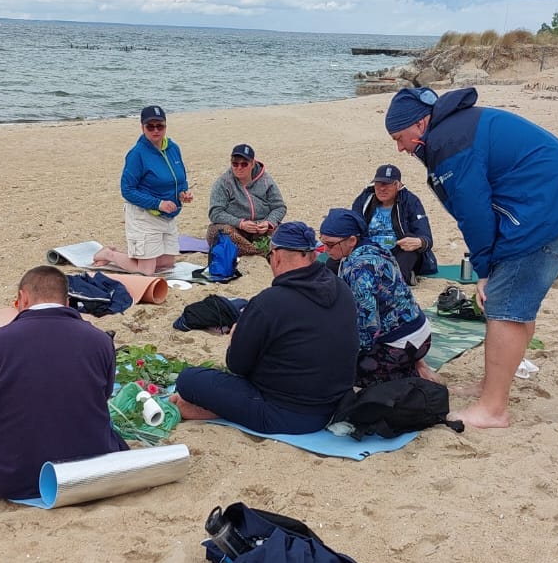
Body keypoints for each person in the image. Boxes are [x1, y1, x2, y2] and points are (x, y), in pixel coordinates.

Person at [385, 86, 558, 430]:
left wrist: (484, 269)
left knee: (504, 304)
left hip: (545, 210)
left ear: (420, 124)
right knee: (517, 300)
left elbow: (473, 213)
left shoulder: (448, 143)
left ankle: (493, 408)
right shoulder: (455, 128)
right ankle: (493, 387)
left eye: (400, 138)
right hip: (554, 201)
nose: (400, 148)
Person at [0, 266, 126, 501]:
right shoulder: (100, 340)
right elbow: (103, 397)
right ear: (67, 302)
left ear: (22, 298)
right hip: (90, 463)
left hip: (11, 473)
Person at [171, 222, 357, 434]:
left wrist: (234, 339)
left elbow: (237, 366)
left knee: (189, 380)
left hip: (287, 413)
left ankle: (216, 410)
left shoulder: (270, 302)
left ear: (276, 256)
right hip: (336, 404)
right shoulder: (342, 288)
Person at [318, 208, 435, 387]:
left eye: (331, 244)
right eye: (323, 243)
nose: (326, 250)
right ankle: (413, 365)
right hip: (419, 331)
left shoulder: (360, 270)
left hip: (402, 341)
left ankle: (408, 373)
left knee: (337, 369)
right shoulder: (374, 248)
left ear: (351, 240)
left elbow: (368, 327)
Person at [94, 105, 192, 274]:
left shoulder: (173, 148)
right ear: (142, 127)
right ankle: (109, 254)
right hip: (143, 215)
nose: (155, 130)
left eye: (159, 126)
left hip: (168, 216)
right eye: (150, 126)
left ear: (165, 126)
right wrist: (158, 203)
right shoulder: (137, 154)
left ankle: (130, 256)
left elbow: (180, 179)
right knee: (146, 271)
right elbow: (127, 190)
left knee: (167, 264)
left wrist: (184, 193)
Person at [349, 163, 437, 284]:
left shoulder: (410, 201)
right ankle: (396, 276)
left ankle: (394, 278)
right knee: (333, 262)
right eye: (378, 184)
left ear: (398, 185)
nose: (382, 189)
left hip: (397, 249)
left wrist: (419, 242)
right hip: (369, 249)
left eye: (387, 184)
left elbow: (426, 237)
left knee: (410, 243)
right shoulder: (365, 199)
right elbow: (351, 225)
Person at [206, 143, 287, 256]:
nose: (239, 168)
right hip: (235, 229)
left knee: (287, 233)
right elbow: (215, 213)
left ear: (253, 163)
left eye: (244, 164)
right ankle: (260, 251)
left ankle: (255, 249)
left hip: (261, 230)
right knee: (216, 233)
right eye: (235, 164)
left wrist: (269, 223)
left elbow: (279, 207)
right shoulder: (223, 183)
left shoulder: (266, 180)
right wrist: (240, 223)